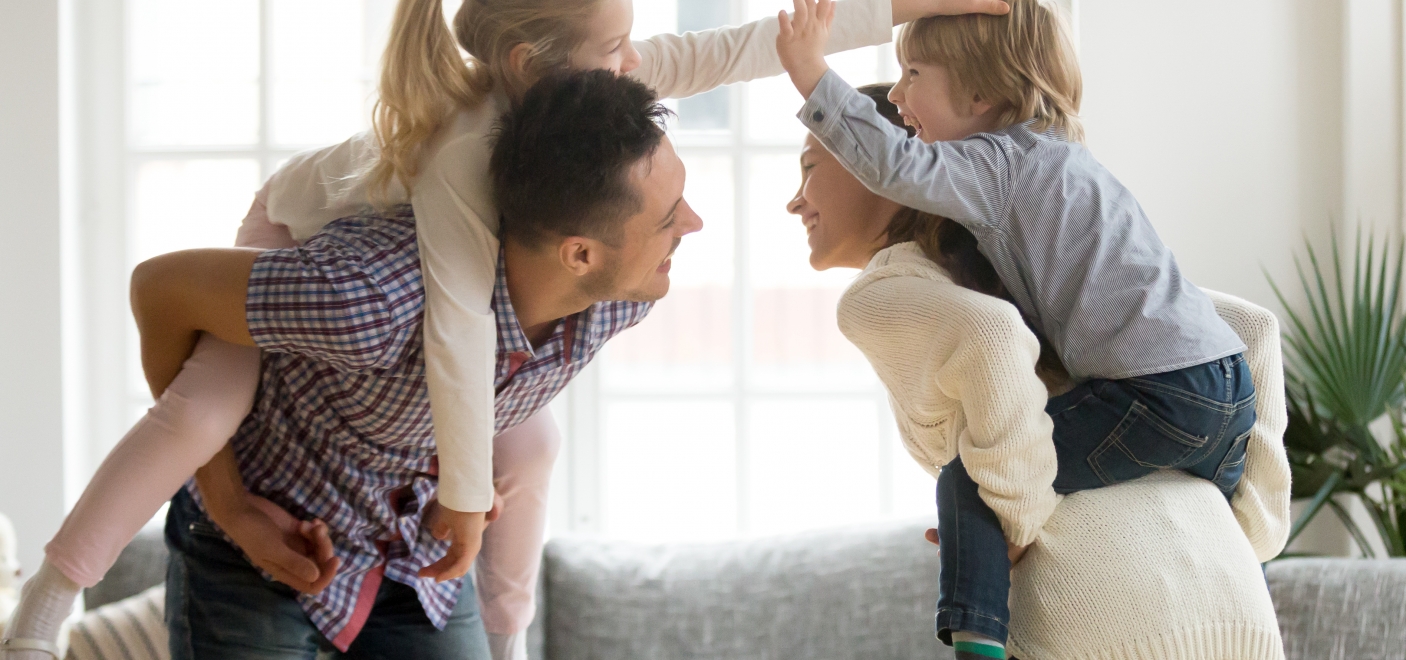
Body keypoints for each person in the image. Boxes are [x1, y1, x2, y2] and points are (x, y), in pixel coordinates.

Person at [2, 0, 1005, 658]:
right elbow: (452, 335)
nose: (635, 61)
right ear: (532, 63)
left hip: (399, 522)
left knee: (534, 435)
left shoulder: (588, 129)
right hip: (293, 234)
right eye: (614, 45)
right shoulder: (453, 172)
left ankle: (506, 631)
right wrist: (465, 506)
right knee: (202, 412)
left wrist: (904, 11)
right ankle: (52, 595)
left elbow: (730, 49)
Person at [776, 1, 1269, 657]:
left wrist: (1013, 508)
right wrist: (1254, 531)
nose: (897, 97)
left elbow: (897, 170)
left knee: (967, 478)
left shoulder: (990, 173)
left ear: (982, 93)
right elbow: (1250, 325)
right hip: (1225, 416)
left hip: (1116, 569)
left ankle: (976, 643)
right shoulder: (1063, 164)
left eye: (913, 73)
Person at [173, 70, 681, 659]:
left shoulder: (620, 300)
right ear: (581, 254)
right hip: (257, 544)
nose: (692, 225)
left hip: (414, 559)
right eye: (669, 219)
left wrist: (445, 471)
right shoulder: (368, 300)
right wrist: (229, 505)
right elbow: (160, 292)